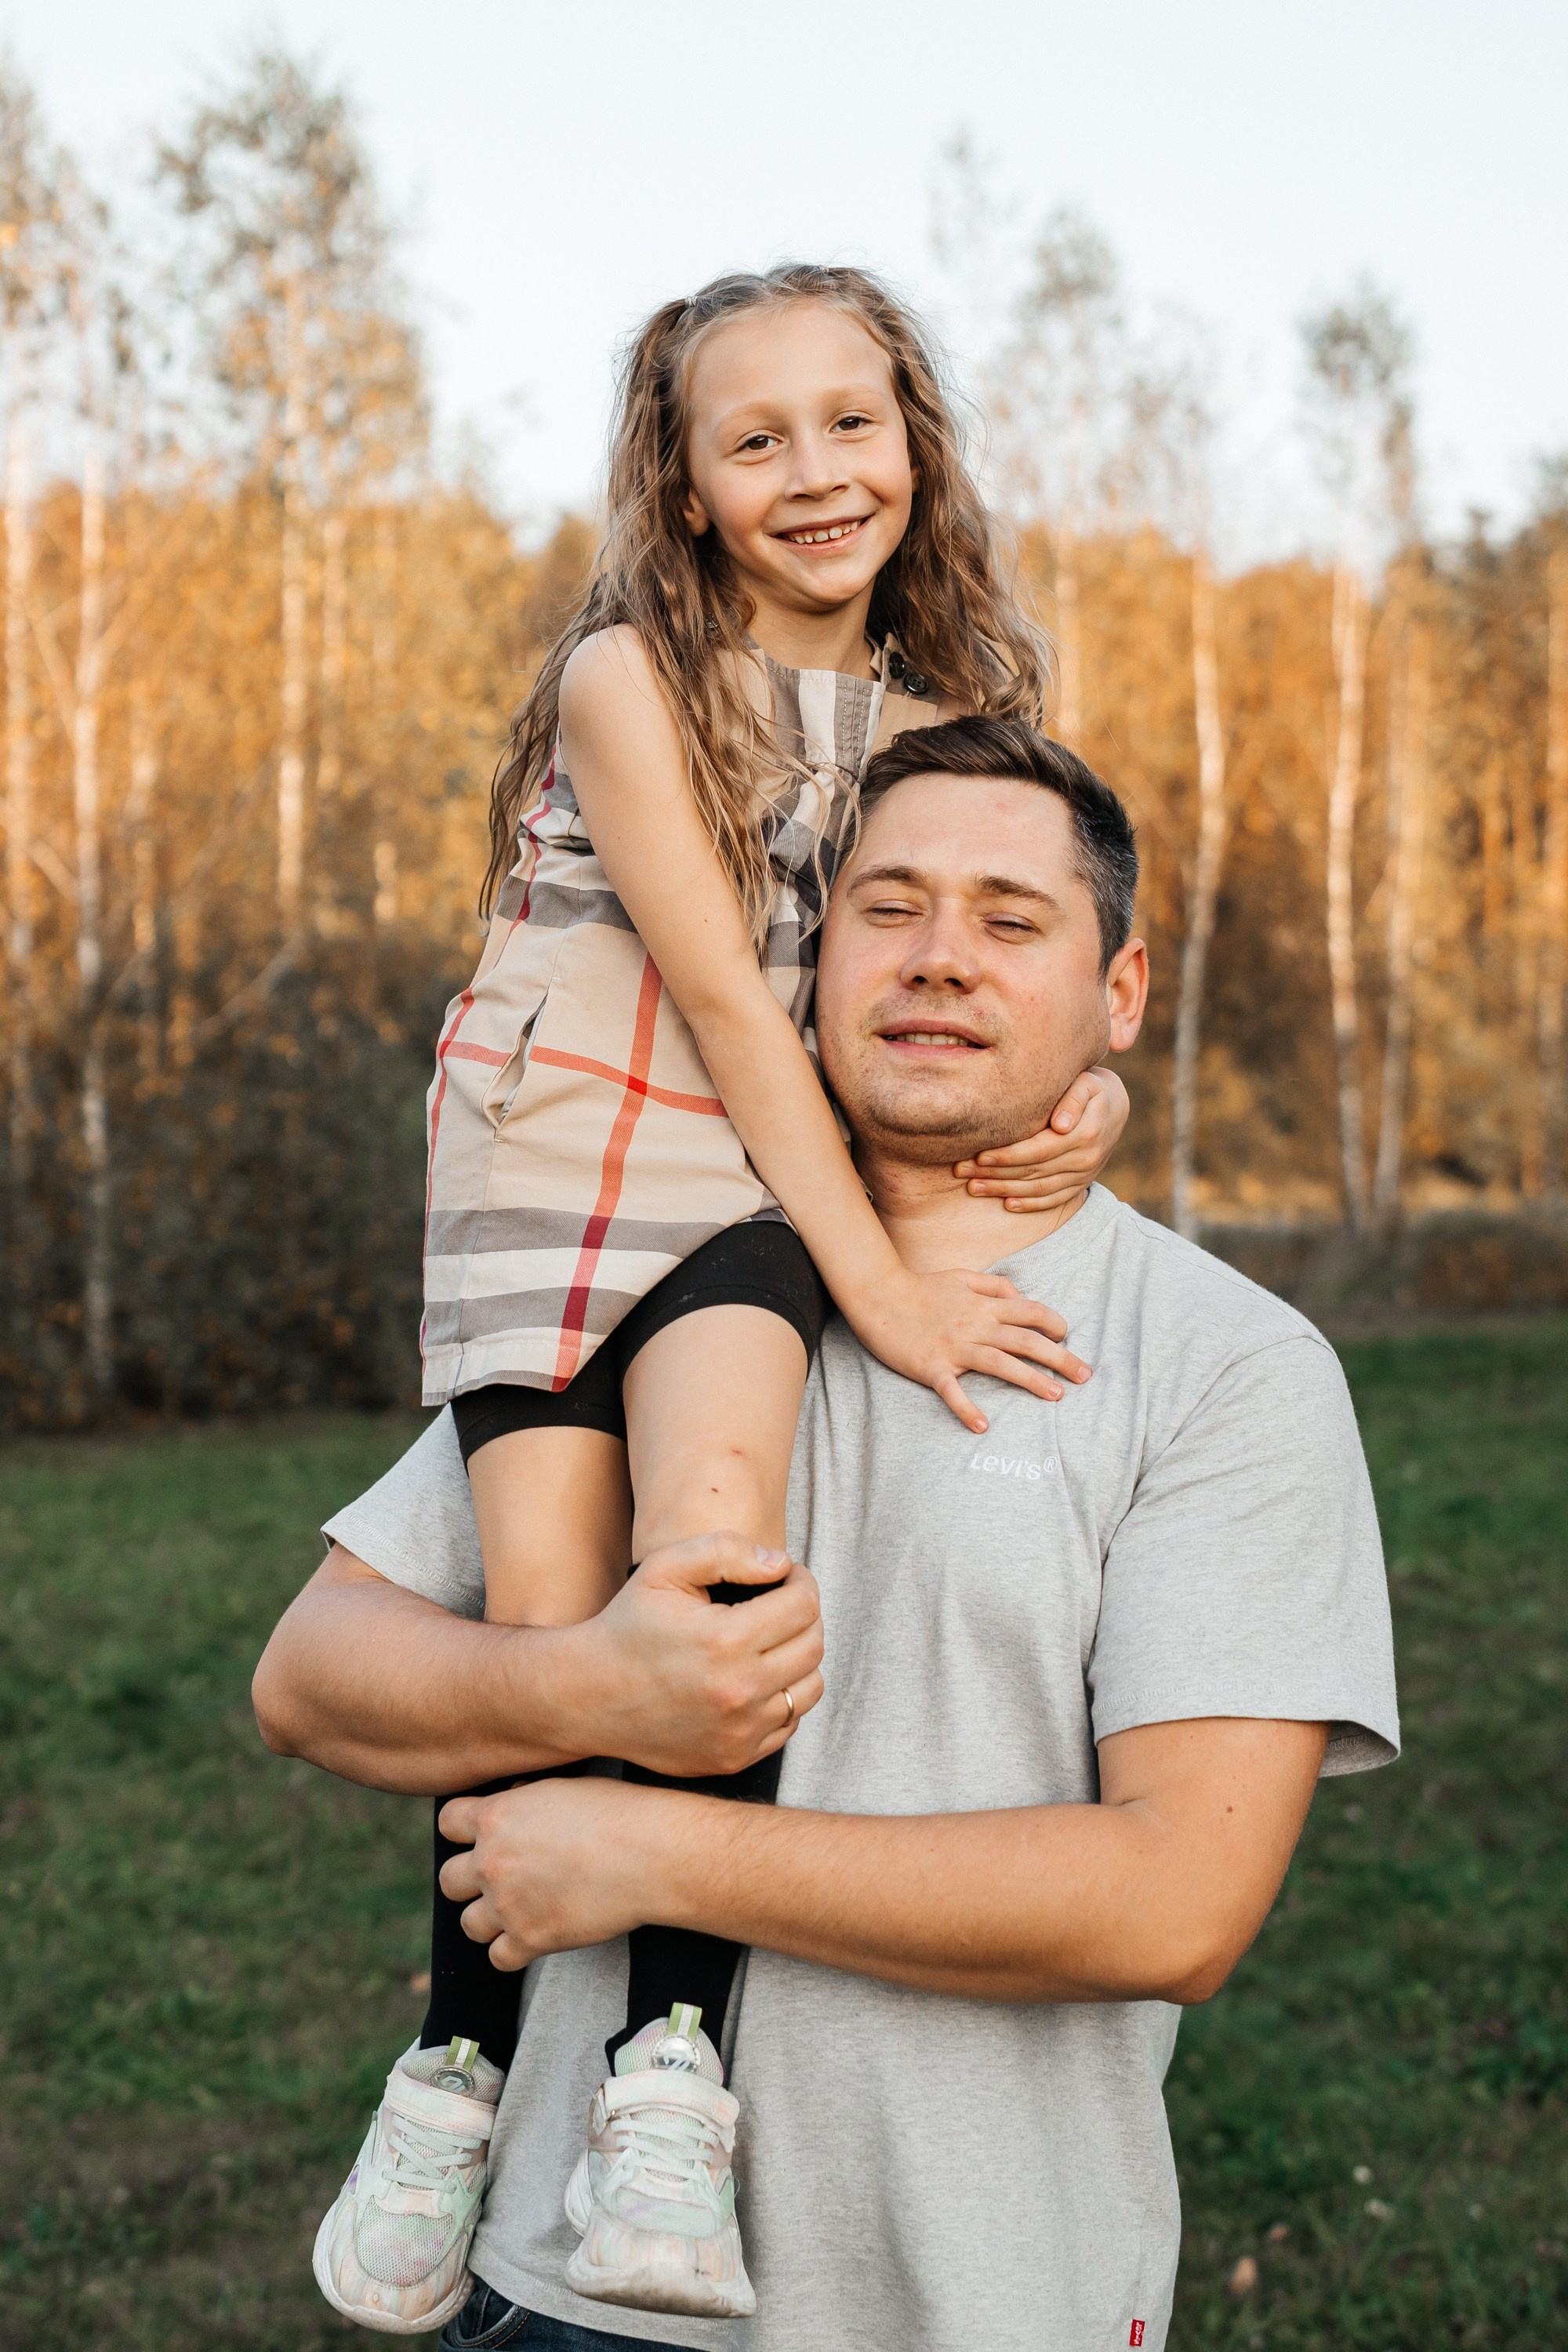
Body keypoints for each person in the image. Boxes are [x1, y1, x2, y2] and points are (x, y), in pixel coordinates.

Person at [256, 713, 1400, 2352]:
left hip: (979, 2305)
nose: (939, 960)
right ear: (804, 951)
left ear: (1119, 994)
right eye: (887, 907)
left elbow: (1175, 1902)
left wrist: (651, 1848)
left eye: (1010, 921)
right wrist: (597, 1689)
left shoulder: (1222, 1367)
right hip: (555, 2295)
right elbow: (311, 1676)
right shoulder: (651, 1285)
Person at [311, 265, 1131, 2332]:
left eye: (850, 423)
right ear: (682, 488)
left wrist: (1093, 1087)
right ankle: (460, 2069)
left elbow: (1011, 950)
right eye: (750, 439)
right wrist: (894, 1284)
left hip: (764, 1188)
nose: (811, 471)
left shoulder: (954, 733)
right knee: (542, 1634)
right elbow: (716, 1003)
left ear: (914, 442)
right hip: (569, 1152)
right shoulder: (623, 676)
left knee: (717, 1571)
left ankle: (670, 2085)